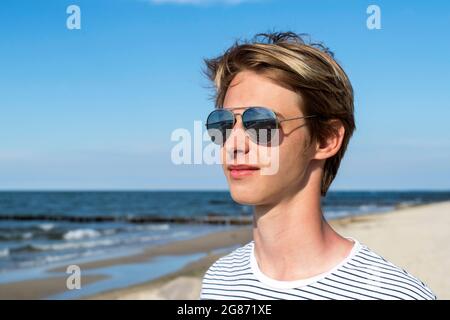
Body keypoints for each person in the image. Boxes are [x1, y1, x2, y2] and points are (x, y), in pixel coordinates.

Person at [199, 31, 436, 300]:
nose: (234, 144)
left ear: (326, 139)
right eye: (222, 124)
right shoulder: (220, 279)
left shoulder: (393, 294)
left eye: (261, 123)